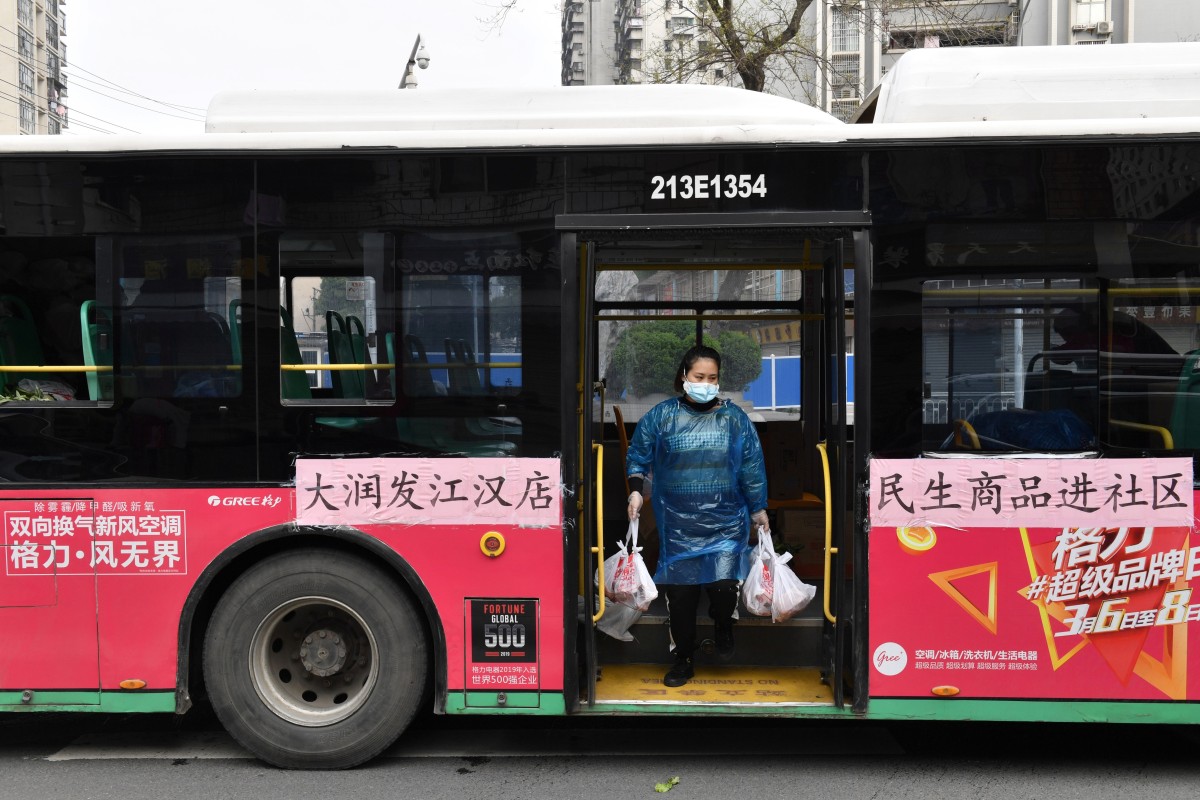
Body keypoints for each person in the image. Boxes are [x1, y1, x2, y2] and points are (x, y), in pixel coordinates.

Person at [625, 344, 769, 687]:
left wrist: (758, 507)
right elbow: (639, 455)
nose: (706, 383)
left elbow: (751, 466)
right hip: (677, 525)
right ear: (684, 377)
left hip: (725, 523)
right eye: (699, 377)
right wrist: (634, 490)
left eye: (713, 378)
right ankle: (683, 658)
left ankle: (723, 625)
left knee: (722, 587)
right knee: (682, 596)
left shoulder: (735, 419)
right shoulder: (661, 416)